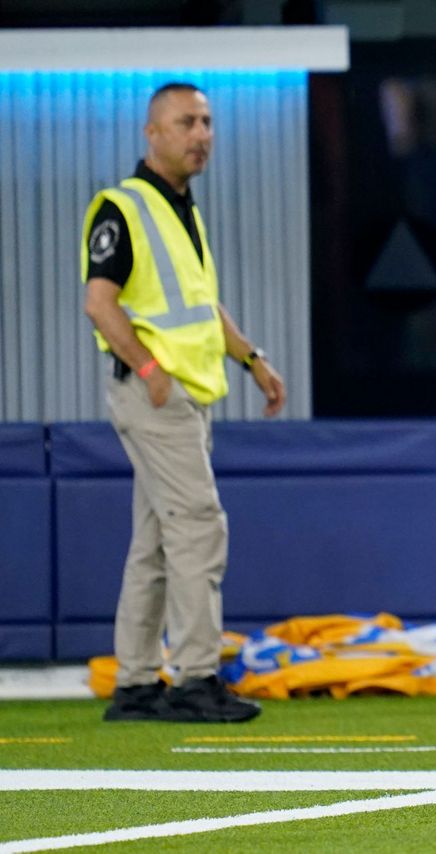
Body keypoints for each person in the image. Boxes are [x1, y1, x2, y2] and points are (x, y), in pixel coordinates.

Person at [82, 82, 286, 723]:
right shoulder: (123, 206)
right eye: (186, 122)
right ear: (153, 133)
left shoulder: (183, 210)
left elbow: (201, 306)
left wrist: (252, 360)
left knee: (156, 540)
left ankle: (137, 684)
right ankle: (197, 677)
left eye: (206, 122)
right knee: (199, 526)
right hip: (156, 393)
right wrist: (149, 369)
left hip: (185, 394)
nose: (201, 134)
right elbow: (99, 301)